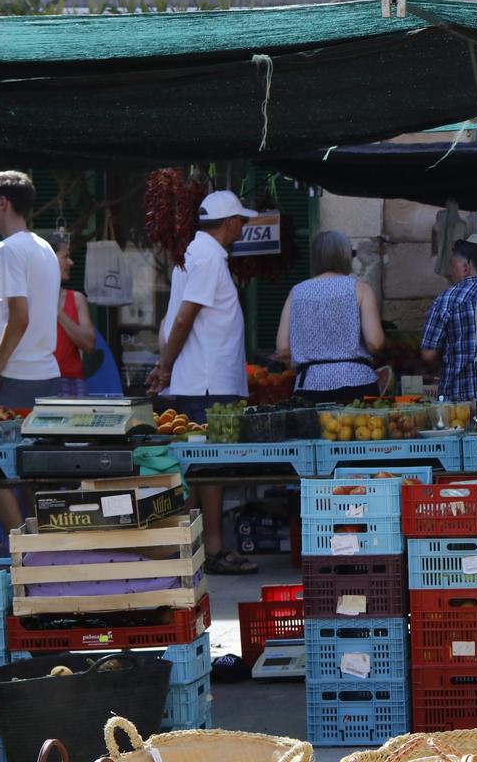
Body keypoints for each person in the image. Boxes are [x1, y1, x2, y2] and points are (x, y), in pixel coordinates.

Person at [149, 189, 256, 575]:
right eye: (240, 220)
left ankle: (190, 547)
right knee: (213, 468)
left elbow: (172, 320)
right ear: (229, 223)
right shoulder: (208, 256)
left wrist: (165, 364)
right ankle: (211, 548)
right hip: (212, 385)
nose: (242, 227)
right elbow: (183, 319)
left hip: (203, 381)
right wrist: (164, 367)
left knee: (199, 467)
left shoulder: (193, 254)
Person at [0, 172, 63, 535]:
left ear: (3, 203)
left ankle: (23, 548)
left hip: (15, 376)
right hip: (47, 375)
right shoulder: (43, 247)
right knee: (36, 469)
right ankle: (41, 550)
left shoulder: (8, 249)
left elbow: (20, 318)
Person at [274, 231, 385, 404]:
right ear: (345, 256)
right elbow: (375, 343)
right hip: (357, 382)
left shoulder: (296, 292)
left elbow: (282, 349)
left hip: (310, 384)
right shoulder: (361, 290)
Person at [421, 236, 477, 413]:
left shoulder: (447, 300)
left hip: (460, 405)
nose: (450, 273)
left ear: (466, 267)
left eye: (452, 266)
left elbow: (428, 353)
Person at [45, 233, 100, 385]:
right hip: (36, 382)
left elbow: (89, 345)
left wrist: (57, 311)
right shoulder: (28, 299)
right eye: (65, 257)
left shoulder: (76, 299)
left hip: (71, 382)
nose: (71, 262)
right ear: (48, 259)